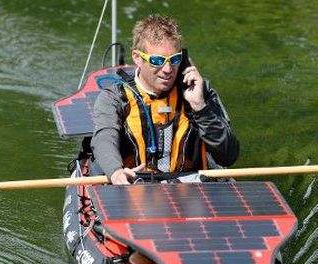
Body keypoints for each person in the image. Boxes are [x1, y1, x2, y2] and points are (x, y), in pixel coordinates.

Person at [91, 14, 239, 185]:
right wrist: (115, 171)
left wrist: (200, 107)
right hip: (133, 186)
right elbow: (104, 137)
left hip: (192, 189)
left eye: (174, 59)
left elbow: (228, 157)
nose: (168, 69)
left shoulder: (198, 92)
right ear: (137, 58)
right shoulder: (115, 97)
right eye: (157, 61)